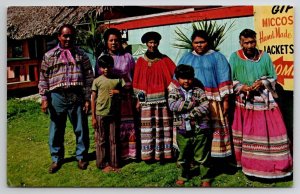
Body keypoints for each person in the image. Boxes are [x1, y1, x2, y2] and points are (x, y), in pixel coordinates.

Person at [229, 28, 292, 178]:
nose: (250, 45)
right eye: (246, 42)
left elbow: (273, 77)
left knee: (271, 132)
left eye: (252, 42)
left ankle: (275, 166)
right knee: (247, 134)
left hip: (264, 101)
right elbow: (230, 79)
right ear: (241, 43)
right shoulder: (234, 57)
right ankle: (248, 164)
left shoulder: (264, 56)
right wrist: (242, 87)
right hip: (244, 102)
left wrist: (262, 83)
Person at [38, 24, 94, 173]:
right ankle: (56, 159)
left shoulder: (81, 55)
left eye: (71, 36)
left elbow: (89, 78)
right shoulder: (49, 56)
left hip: (77, 96)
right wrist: (44, 98)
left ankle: (81, 156)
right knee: (56, 129)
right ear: (59, 37)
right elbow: (43, 78)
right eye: (65, 35)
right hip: (57, 97)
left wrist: (87, 98)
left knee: (81, 128)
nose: (68, 38)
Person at [178, 30, 234, 160]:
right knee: (193, 128)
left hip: (213, 100)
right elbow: (178, 78)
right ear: (192, 43)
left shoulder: (217, 57)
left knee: (213, 129)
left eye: (202, 42)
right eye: (196, 42)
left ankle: (215, 158)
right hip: (192, 100)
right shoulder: (186, 57)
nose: (199, 45)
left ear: (207, 42)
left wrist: (225, 101)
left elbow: (224, 76)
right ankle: (192, 157)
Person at [133, 31, 176, 161]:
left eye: (155, 42)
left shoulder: (165, 60)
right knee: (148, 128)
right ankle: (148, 154)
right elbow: (137, 81)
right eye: (150, 42)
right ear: (146, 44)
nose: (152, 45)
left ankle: (164, 153)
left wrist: (171, 94)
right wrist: (139, 101)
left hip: (163, 101)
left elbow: (175, 76)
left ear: (158, 43)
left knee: (163, 128)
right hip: (146, 102)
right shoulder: (140, 61)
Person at [95, 28, 136, 161]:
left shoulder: (128, 57)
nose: (114, 43)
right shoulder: (101, 59)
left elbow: (134, 75)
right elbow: (98, 80)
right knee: (109, 127)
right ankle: (109, 156)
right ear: (106, 42)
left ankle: (127, 154)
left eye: (116, 40)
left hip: (125, 98)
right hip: (108, 99)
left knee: (125, 124)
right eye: (111, 40)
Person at [168, 64, 212, 187]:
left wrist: (191, 113)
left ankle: (205, 177)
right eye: (182, 78)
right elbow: (172, 106)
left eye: (188, 78)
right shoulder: (174, 92)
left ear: (193, 78)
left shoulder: (199, 91)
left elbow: (205, 107)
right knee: (183, 155)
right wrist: (192, 103)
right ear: (177, 78)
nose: (186, 81)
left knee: (202, 155)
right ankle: (183, 175)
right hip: (182, 130)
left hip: (200, 129)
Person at [91, 55, 125, 172]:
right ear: (100, 68)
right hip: (100, 114)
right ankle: (102, 164)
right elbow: (93, 99)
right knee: (101, 139)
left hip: (114, 114)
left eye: (109, 66)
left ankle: (115, 163)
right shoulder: (97, 81)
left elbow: (126, 94)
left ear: (113, 66)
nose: (106, 69)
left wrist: (118, 92)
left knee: (114, 139)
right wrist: (93, 117)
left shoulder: (118, 79)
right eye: (103, 67)